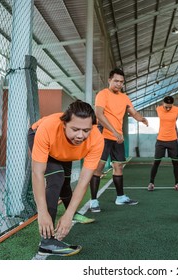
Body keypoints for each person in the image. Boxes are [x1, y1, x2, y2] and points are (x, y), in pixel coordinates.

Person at [28, 100, 104, 256]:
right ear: (64, 124)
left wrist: (69, 215)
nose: (81, 135)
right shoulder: (48, 128)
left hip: (64, 150)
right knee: (56, 177)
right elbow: (37, 174)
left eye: (86, 130)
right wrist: (42, 212)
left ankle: (73, 213)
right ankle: (47, 242)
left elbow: (83, 182)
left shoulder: (96, 140)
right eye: (75, 129)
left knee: (65, 183)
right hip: (40, 135)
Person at [89, 68, 148, 212]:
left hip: (117, 137)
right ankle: (93, 201)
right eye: (116, 81)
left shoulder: (124, 97)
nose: (118, 84)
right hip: (103, 137)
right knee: (98, 168)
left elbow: (133, 112)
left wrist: (141, 119)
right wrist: (114, 132)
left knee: (119, 167)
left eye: (121, 82)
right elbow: (99, 114)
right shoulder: (102, 94)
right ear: (109, 80)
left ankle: (120, 197)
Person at [147, 96, 178, 191]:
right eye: (166, 106)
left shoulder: (177, 109)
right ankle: (151, 183)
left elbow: (174, 121)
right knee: (156, 162)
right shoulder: (158, 109)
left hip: (173, 140)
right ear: (163, 103)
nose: (168, 108)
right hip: (160, 140)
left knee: (175, 163)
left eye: (170, 107)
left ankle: (177, 184)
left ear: (173, 105)